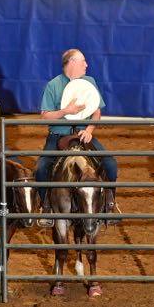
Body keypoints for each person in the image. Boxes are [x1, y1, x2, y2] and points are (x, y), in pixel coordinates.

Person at [36, 49, 118, 220]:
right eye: (83, 61)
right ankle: (45, 207)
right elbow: (45, 116)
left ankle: (109, 203)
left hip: (83, 135)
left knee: (110, 163)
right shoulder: (53, 85)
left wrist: (89, 130)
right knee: (42, 167)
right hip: (58, 136)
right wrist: (66, 111)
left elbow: (96, 112)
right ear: (71, 62)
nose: (86, 65)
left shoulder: (89, 82)